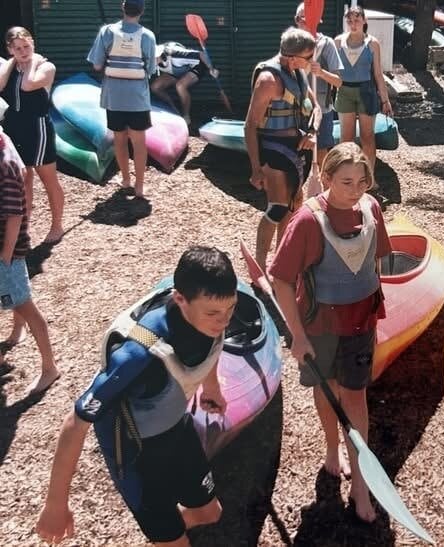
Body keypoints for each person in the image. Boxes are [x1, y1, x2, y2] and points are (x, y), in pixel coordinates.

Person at [35, 246, 237, 546]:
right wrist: (55, 505)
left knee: (209, 513)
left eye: (230, 308)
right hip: (137, 458)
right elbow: (74, 423)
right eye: (214, 313)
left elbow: (212, 342)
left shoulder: (210, 311)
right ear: (180, 299)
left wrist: (211, 387)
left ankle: (168, 531)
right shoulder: (137, 357)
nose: (224, 320)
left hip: (177, 431)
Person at [269, 142, 391, 523]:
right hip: (320, 326)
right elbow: (281, 279)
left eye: (361, 182)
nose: (355, 191)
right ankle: (332, 447)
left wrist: (376, 315)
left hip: (359, 323)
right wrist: (297, 334)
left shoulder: (371, 209)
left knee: (355, 396)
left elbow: (375, 263)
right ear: (325, 178)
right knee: (328, 390)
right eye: (345, 182)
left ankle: (360, 484)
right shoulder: (308, 220)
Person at [245, 27, 321, 273]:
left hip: (297, 149)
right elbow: (250, 125)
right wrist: (256, 168)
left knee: (292, 206)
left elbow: (316, 108)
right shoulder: (268, 80)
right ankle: (259, 265)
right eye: (309, 57)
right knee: (277, 208)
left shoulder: (297, 73)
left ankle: (281, 262)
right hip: (273, 150)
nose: (312, 61)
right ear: (293, 58)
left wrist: (312, 131)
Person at [0, 126, 60, 395]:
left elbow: (14, 215)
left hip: (6, 253)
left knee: (24, 305)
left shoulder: (4, 166)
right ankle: (15, 333)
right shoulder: (5, 139)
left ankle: (49, 367)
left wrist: (6, 256)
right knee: (15, 299)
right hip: (7, 251)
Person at [0, 27, 65, 244]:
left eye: (26, 46)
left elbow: (28, 85)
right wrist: (13, 61)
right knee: (23, 179)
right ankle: (23, 227)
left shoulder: (46, 66)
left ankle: (57, 225)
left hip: (37, 128)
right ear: (10, 49)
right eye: (17, 48)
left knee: (48, 178)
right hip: (14, 126)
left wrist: (33, 61)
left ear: (33, 45)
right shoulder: (9, 68)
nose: (23, 51)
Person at [87, 0, 157, 198]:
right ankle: (139, 187)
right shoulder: (147, 35)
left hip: (114, 97)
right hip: (137, 98)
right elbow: (151, 70)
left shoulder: (106, 31)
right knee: (139, 142)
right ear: (142, 10)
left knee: (119, 139)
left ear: (123, 7)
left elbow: (97, 65)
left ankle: (126, 180)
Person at [334, 5, 393, 172]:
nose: (353, 24)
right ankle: (346, 174)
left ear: (364, 21)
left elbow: (378, 74)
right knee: (346, 138)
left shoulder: (372, 43)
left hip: (366, 92)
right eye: (350, 21)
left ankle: (369, 176)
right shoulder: (338, 42)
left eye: (357, 20)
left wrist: (385, 100)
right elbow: (333, 72)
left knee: (367, 137)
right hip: (344, 91)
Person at [294, 2, 344, 173]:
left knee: (321, 153)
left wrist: (321, 72)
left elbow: (339, 82)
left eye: (306, 18)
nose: (302, 22)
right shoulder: (291, 44)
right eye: (299, 18)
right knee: (297, 153)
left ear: (318, 19)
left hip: (322, 108)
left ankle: (322, 185)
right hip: (296, 110)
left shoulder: (326, 44)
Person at [150, 42, 219, 126]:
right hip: (176, 70)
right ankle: (174, 111)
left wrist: (211, 68)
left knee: (180, 86)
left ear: (159, 55)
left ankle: (186, 116)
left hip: (196, 66)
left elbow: (201, 54)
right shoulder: (150, 61)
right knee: (155, 87)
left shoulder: (176, 54)